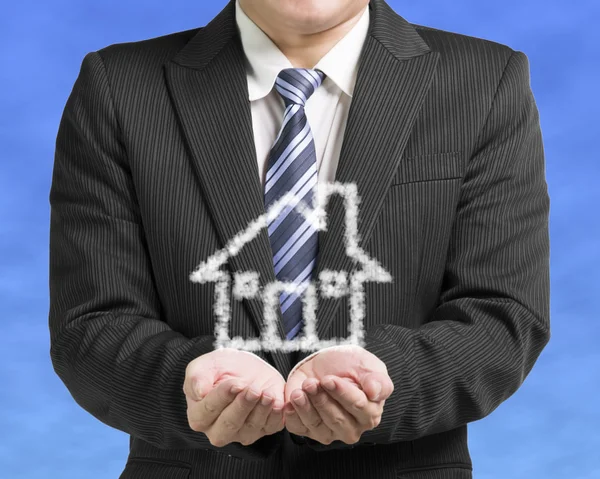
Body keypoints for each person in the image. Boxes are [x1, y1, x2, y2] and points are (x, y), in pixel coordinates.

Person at [48, 0, 551, 477]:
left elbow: (502, 315)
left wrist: (376, 380)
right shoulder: (119, 87)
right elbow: (91, 324)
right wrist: (193, 381)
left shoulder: (484, 81)